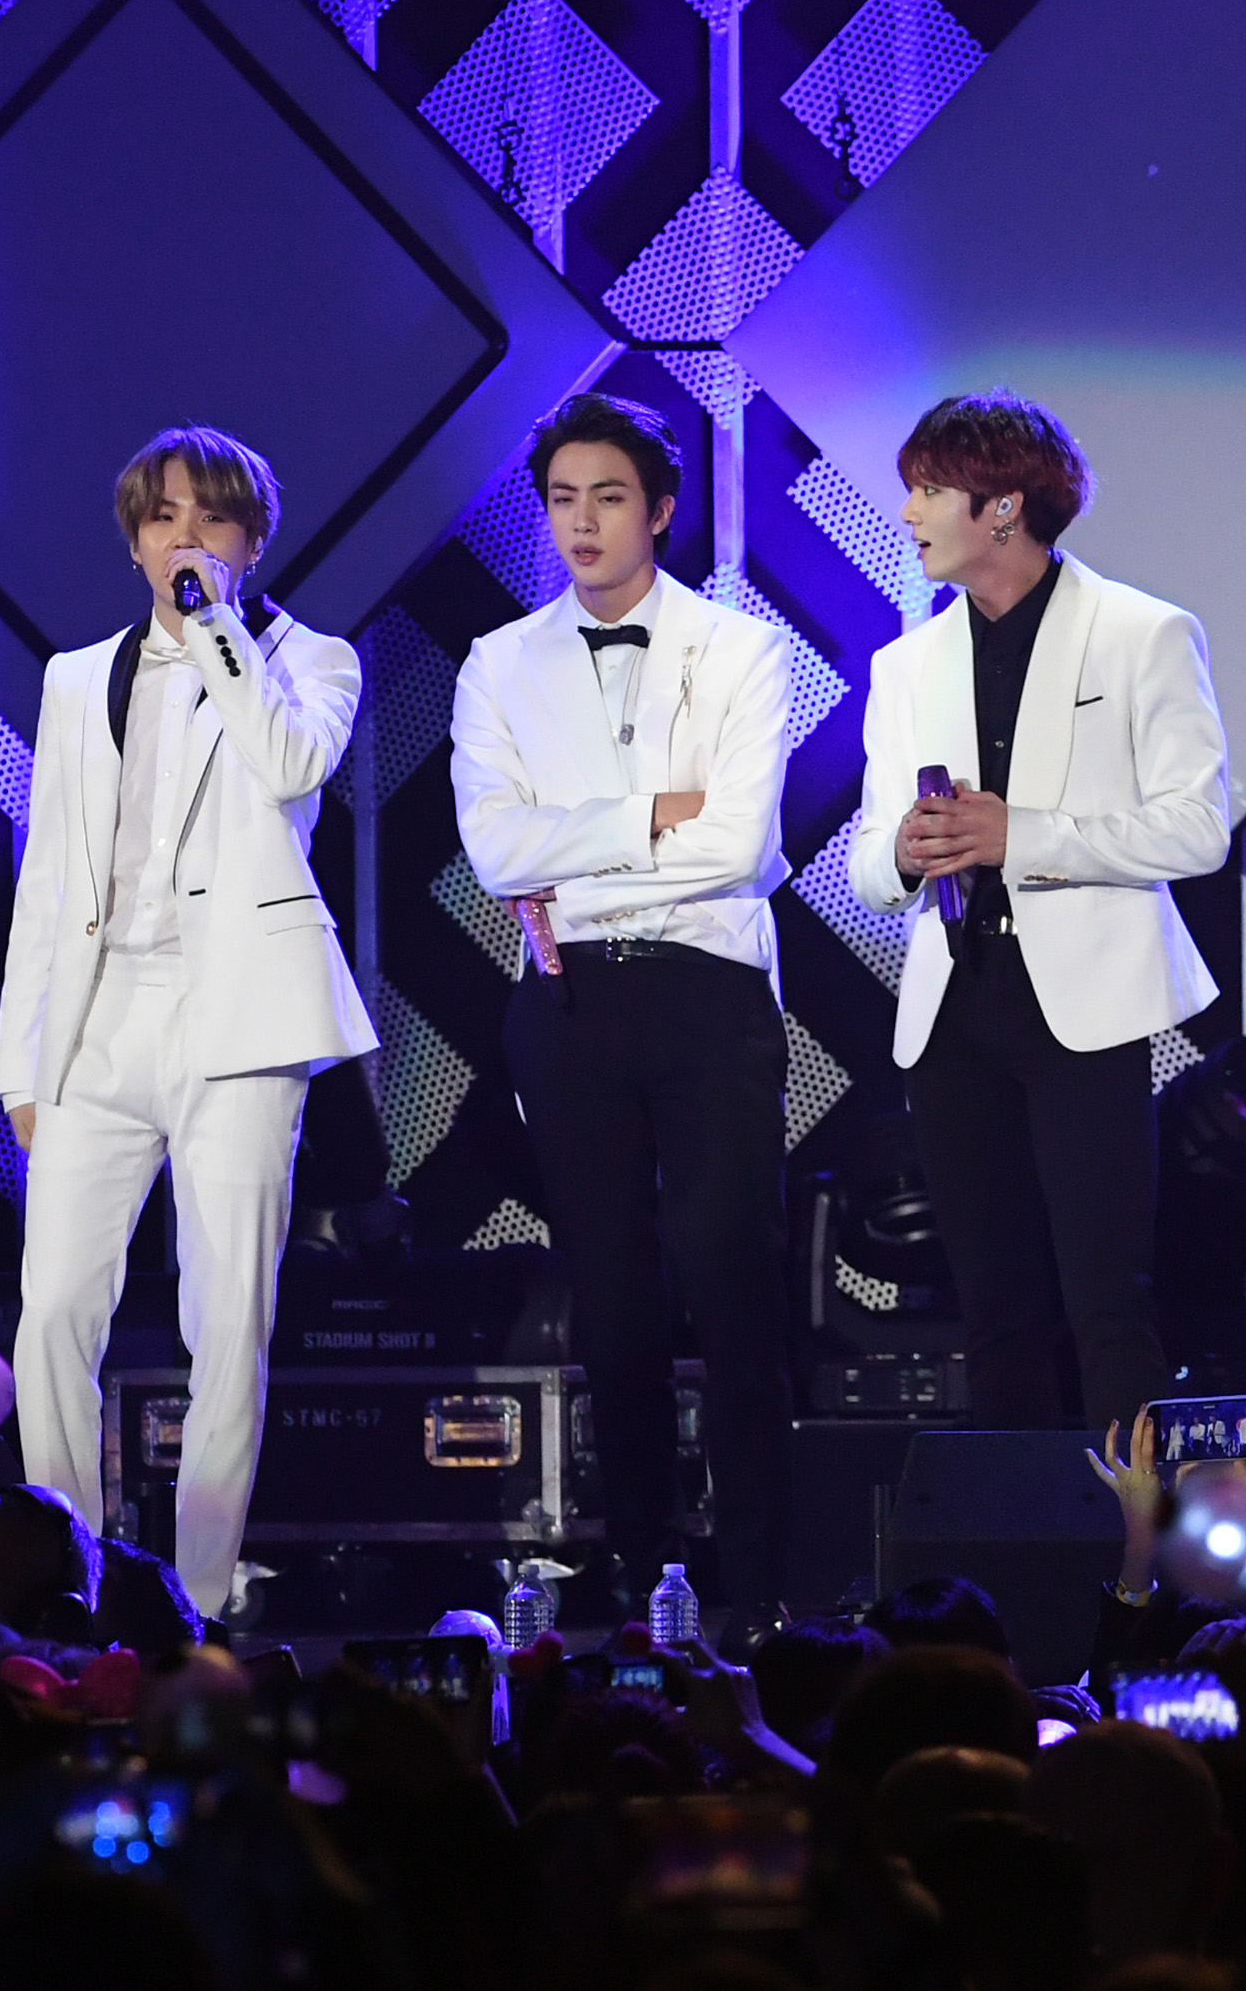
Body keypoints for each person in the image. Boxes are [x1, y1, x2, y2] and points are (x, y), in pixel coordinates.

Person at [0, 427, 378, 1621]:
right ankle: (64, 1578)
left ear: (251, 542)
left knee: (228, 1316)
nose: (183, 540)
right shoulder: (76, 679)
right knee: (54, 1306)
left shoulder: (313, 661)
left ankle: (202, 1594)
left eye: (209, 520)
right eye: (163, 520)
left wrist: (215, 631)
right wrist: (24, 1059)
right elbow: (48, 877)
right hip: (102, 1023)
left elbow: (288, 765)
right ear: (133, 541)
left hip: (244, 1022)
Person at [450, 390, 800, 1623]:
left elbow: (739, 843)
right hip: (568, 1000)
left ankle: (757, 1572)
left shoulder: (743, 649)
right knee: (609, 1289)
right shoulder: (500, 662)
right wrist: (653, 812)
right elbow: (494, 852)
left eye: (608, 498)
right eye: (561, 500)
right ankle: (639, 1558)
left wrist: (580, 854)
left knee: (726, 1266)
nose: (582, 523)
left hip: (706, 987)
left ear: (659, 509)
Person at [849, 390, 1233, 1433]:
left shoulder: (1143, 633)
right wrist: (900, 848)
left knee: (1109, 1302)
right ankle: (1017, 1554)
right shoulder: (905, 665)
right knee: (994, 1312)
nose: (909, 513)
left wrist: (1024, 834)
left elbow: (1197, 830)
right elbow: (865, 865)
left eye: (930, 491)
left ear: (1005, 507)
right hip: (955, 1007)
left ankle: (1140, 1559)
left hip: (1087, 1011)